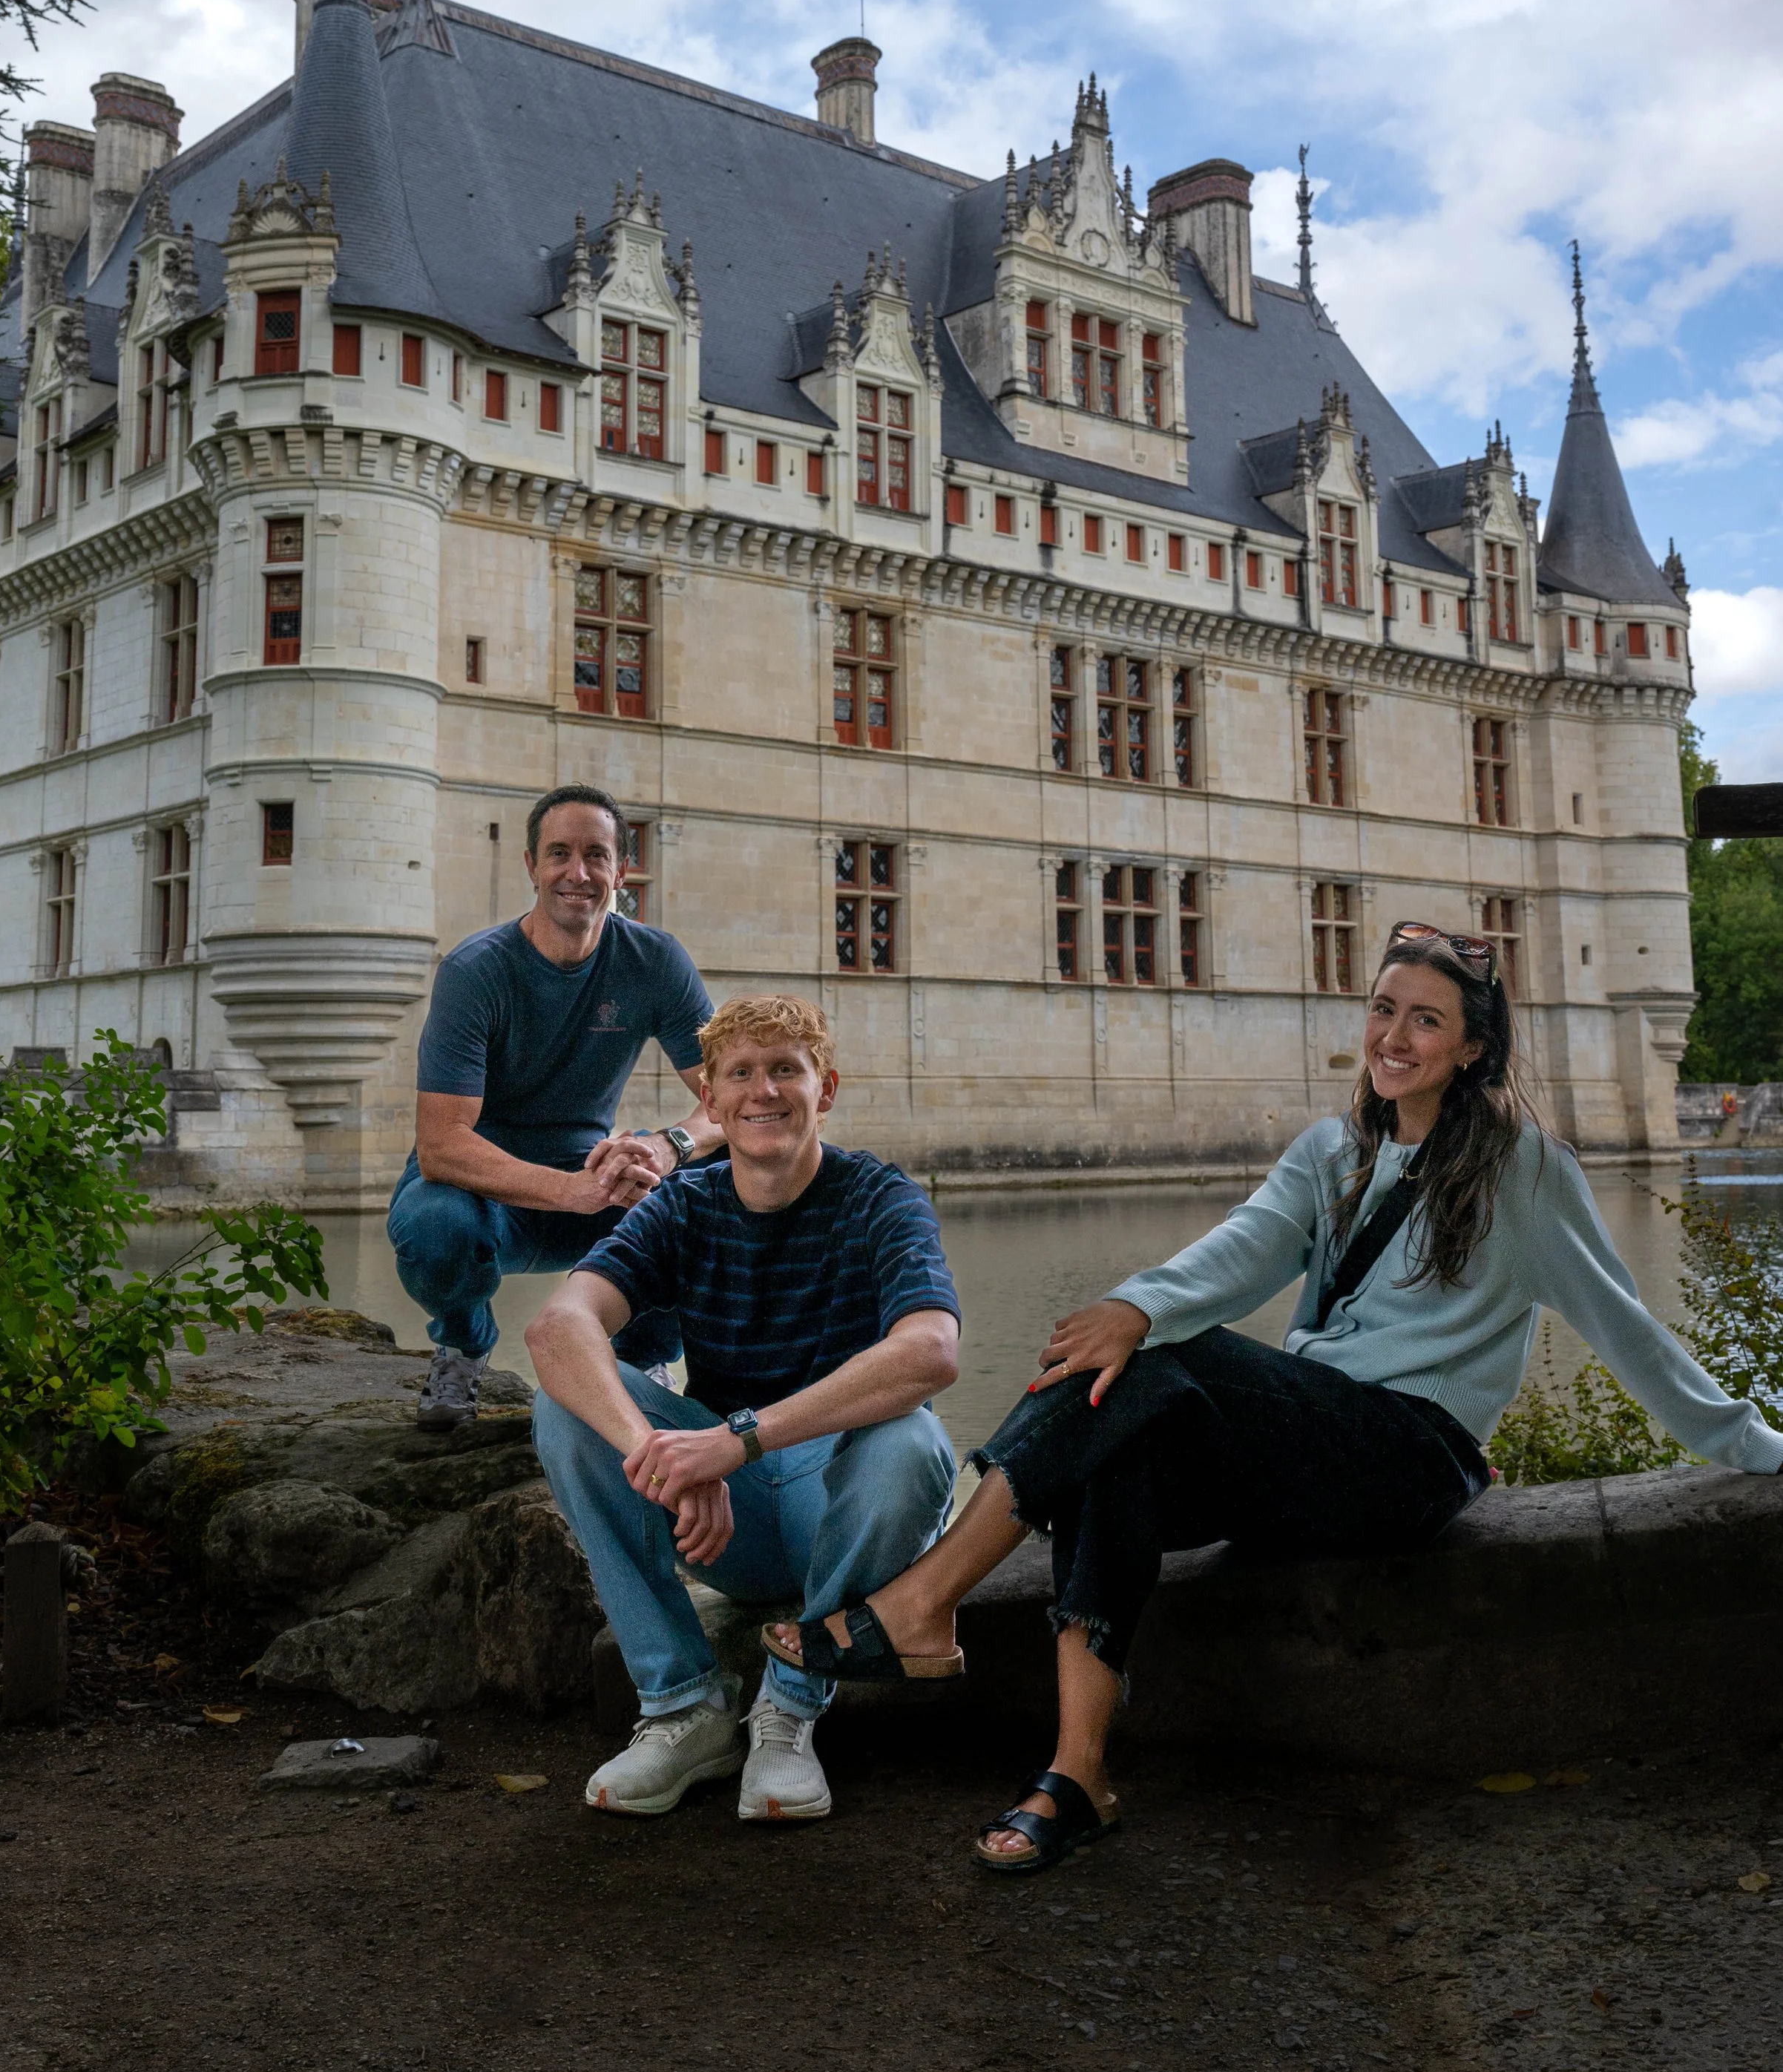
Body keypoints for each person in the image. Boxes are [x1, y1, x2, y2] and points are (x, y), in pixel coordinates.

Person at [766, 923, 1783, 1875]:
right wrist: (1132, 1304)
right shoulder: (1330, 1152)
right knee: (1115, 1420)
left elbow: (1628, 1331)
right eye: (1384, 1009)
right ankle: (1077, 1774)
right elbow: (1237, 1255)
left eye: (1427, 1019)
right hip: (1313, 1441)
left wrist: (1755, 1443)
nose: (1394, 1036)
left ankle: (925, 1599)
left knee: (1159, 1359)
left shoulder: (1522, 1169)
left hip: (1411, 1457)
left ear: (1474, 1048)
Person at [528, 992, 961, 1824]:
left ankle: (790, 1706)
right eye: (741, 1075)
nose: (764, 1091)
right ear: (716, 1104)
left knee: (911, 1442)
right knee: (567, 1405)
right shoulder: (684, 1204)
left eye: (785, 1071)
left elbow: (931, 1352)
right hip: (728, 1523)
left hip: (846, 1502)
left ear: (823, 1089)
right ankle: (685, 1707)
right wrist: (662, 1454)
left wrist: (736, 1442)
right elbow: (558, 1329)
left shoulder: (880, 1198)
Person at [388, 784, 721, 1430]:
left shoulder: (655, 961)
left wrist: (665, 1145)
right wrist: (571, 1191)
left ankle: (641, 1361)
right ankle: (462, 1343)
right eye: (559, 853)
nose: (578, 872)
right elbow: (442, 1143)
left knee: (720, 1178)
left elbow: (727, 1100)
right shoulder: (475, 970)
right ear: (531, 866)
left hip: (591, 1175)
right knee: (432, 1227)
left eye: (596, 855)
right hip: (483, 1190)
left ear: (621, 870)